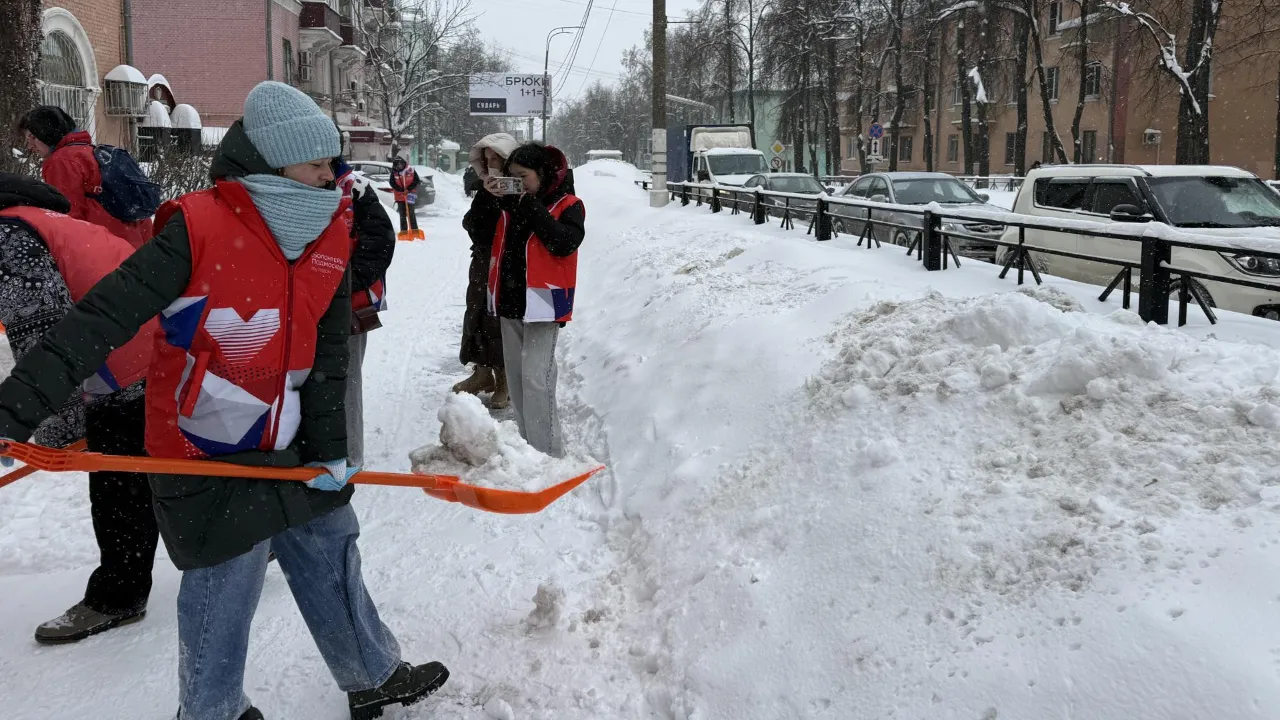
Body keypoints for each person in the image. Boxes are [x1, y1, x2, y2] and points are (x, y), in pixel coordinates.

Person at [0, 81, 445, 720]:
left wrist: (329, 450)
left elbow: (325, 358)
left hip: (289, 436)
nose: (333, 176)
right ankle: (211, 712)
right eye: (319, 163)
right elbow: (96, 322)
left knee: (328, 542)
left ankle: (372, 674)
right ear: (274, 158)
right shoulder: (197, 227)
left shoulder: (329, 231)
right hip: (200, 443)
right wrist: (12, 410)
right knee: (224, 581)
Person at [0, 172, 160, 644]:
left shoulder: (7, 236)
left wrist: (58, 429)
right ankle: (254, 541)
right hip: (149, 336)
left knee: (118, 481)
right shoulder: (35, 218)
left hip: (117, 356)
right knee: (158, 460)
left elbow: (42, 333)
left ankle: (119, 595)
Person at [481, 143, 585, 457]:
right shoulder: (507, 205)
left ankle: (548, 454)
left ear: (542, 174)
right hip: (510, 301)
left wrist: (532, 207)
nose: (517, 183)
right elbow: (475, 231)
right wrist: (488, 198)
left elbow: (564, 243)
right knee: (516, 380)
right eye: (511, 176)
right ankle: (529, 448)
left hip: (544, 303)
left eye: (522, 176)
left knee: (536, 378)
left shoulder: (569, 204)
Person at [333, 141, 396, 468]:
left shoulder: (355, 189)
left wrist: (344, 283)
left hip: (351, 306)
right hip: (306, 305)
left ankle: (350, 457)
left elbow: (381, 242)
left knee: (346, 384)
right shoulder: (295, 186)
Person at [18, 105, 155, 248]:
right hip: (135, 242)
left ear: (46, 131)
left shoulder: (61, 161)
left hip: (104, 248)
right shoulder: (93, 152)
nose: (30, 146)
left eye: (32, 137)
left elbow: (68, 216)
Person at [458, 133, 519, 410]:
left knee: (500, 318)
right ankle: (482, 373)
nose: (490, 163)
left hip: (509, 265)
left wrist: (504, 198)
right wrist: (487, 196)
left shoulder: (520, 190)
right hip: (483, 262)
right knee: (477, 311)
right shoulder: (485, 189)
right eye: (486, 159)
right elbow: (471, 224)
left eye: (495, 158)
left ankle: (504, 378)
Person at [388, 156, 422, 241]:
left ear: (403, 164)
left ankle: (414, 231)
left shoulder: (410, 170)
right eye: (397, 166)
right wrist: (401, 190)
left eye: (400, 165)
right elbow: (392, 182)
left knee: (411, 213)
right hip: (400, 195)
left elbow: (416, 180)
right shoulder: (394, 172)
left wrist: (408, 189)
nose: (398, 167)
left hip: (410, 194)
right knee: (402, 214)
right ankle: (404, 232)